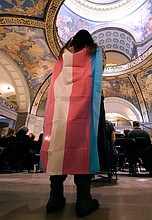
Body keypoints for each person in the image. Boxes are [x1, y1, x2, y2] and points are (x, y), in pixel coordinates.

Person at [41, 29, 105, 217]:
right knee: (82, 149)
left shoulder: (62, 57)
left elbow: (56, 84)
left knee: (58, 149)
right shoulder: (95, 53)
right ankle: (83, 199)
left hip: (60, 111)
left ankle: (55, 198)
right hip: (83, 111)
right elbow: (98, 77)